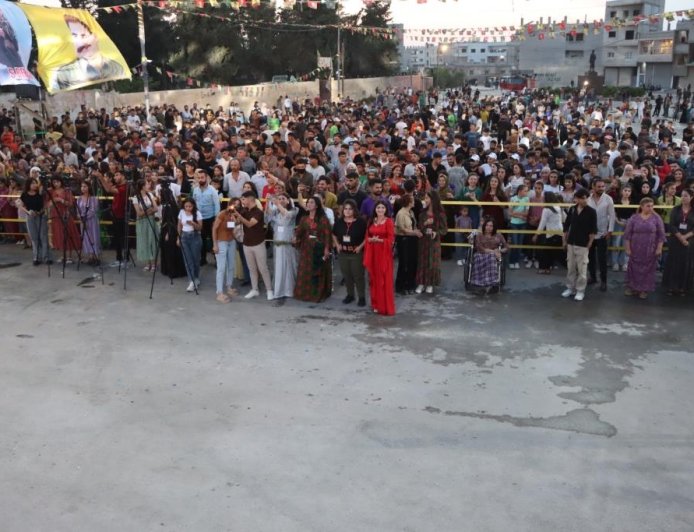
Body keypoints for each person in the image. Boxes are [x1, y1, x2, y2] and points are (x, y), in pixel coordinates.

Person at [50, 15, 126, 91]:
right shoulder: (65, 74)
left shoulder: (116, 68)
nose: (81, 42)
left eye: (83, 35)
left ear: (94, 37)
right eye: (74, 38)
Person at [623, 197, 666, 299]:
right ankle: (632, 287)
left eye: (652, 206)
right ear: (642, 206)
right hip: (635, 248)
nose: (650, 208)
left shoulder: (657, 218)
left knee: (648, 270)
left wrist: (659, 248)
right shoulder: (634, 218)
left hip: (650, 249)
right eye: (648, 206)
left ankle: (644, 289)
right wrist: (628, 248)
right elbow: (627, 235)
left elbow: (661, 235)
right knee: (633, 268)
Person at [235, 191, 273, 300]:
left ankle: (269, 290)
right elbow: (238, 222)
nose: (242, 202)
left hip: (258, 243)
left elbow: (249, 224)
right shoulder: (244, 210)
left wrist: (239, 216)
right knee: (251, 268)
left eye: (243, 199)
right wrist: (234, 216)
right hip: (246, 243)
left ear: (250, 199)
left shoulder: (258, 212)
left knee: (263, 268)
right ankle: (254, 289)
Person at [294, 196, 332, 303]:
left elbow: (327, 235)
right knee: (305, 270)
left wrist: (326, 249)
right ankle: (305, 294)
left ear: (317, 205)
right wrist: (295, 238)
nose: (309, 204)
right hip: (306, 248)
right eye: (308, 202)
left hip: (318, 248)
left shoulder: (323, 219)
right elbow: (299, 232)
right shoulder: (304, 218)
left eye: (311, 202)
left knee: (317, 271)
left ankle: (317, 295)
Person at [562, 189, 597, 302]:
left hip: (583, 243)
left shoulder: (591, 211)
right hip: (571, 242)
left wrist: (590, 243)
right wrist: (564, 240)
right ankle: (570, 288)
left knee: (582, 268)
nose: (583, 200)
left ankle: (580, 290)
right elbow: (566, 226)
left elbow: (593, 229)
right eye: (581, 198)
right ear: (576, 199)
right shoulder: (572, 209)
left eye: (585, 197)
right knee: (570, 267)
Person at [333, 199, 367, 306]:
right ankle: (350, 295)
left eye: (350, 209)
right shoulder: (339, 221)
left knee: (358, 276)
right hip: (343, 253)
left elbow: (367, 236)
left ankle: (361, 297)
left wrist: (360, 247)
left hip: (356, 253)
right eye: (345, 209)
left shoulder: (360, 222)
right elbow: (333, 234)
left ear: (354, 210)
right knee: (347, 275)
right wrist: (337, 244)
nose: (347, 211)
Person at [363, 200, 395, 315]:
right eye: (378, 208)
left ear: (386, 209)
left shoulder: (389, 222)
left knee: (384, 279)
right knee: (374, 279)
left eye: (382, 208)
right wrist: (370, 240)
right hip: (373, 254)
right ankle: (375, 304)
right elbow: (367, 237)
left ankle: (385, 306)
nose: (380, 210)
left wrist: (380, 240)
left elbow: (391, 240)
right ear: (375, 209)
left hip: (384, 254)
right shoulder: (371, 221)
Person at [266, 192, 299, 299]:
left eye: (283, 198)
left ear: (288, 200)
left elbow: (287, 215)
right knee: (279, 266)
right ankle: (279, 290)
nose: (280, 200)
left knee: (289, 265)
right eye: (279, 199)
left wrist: (277, 203)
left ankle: (290, 290)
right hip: (277, 243)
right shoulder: (276, 212)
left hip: (288, 243)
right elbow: (268, 215)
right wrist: (267, 201)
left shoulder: (294, 210)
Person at [415, 190, 448, 294]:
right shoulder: (422, 213)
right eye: (425, 198)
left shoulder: (440, 214)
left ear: (433, 199)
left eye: (427, 198)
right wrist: (425, 223)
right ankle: (421, 283)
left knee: (432, 263)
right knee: (422, 262)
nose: (425, 200)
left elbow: (444, 229)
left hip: (434, 242)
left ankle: (430, 283)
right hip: (423, 241)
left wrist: (436, 233)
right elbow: (419, 227)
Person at [663, 188, 694, 296]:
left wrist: (685, 237)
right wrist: (680, 237)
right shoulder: (676, 209)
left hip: (689, 241)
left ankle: (683, 287)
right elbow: (671, 225)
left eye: (686, 196)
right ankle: (671, 287)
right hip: (675, 240)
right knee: (673, 263)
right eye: (682, 195)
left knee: (686, 264)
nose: (683, 198)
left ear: (691, 197)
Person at [587, 178, 616, 291]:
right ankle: (593, 277)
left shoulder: (608, 199)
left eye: (603, 186)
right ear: (593, 187)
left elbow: (612, 215)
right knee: (590, 258)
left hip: (603, 233)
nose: (601, 188)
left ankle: (604, 281)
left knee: (602, 259)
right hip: (589, 234)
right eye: (599, 186)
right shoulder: (588, 199)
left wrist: (610, 230)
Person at [97, 170, 128, 268]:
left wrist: (101, 177)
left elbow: (109, 190)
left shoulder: (125, 187)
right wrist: (102, 179)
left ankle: (124, 259)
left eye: (117, 175)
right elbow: (108, 189)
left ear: (123, 176)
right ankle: (119, 258)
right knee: (117, 238)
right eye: (114, 175)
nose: (115, 177)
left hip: (122, 216)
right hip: (115, 215)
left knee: (122, 239)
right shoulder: (118, 186)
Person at [46, 176, 80, 264]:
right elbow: (48, 204)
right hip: (55, 215)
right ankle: (63, 255)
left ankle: (69, 256)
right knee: (59, 235)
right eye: (54, 182)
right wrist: (53, 201)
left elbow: (70, 204)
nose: (56, 184)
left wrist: (61, 200)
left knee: (68, 234)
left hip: (65, 214)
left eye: (57, 181)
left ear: (61, 181)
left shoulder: (67, 190)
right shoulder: (51, 191)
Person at [469, 217, 508, 294]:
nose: (489, 227)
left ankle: (491, 282)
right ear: (484, 226)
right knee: (486, 257)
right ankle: (479, 283)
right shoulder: (480, 235)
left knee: (491, 258)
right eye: (487, 225)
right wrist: (493, 252)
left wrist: (499, 250)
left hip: (493, 255)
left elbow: (506, 247)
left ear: (494, 227)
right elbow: (479, 247)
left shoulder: (498, 235)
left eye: (491, 226)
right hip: (481, 254)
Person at [18, 178, 51, 266]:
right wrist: (28, 212)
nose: (34, 185)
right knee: (34, 238)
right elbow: (20, 205)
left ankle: (46, 257)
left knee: (43, 237)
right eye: (32, 183)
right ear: (28, 184)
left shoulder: (40, 194)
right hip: (30, 217)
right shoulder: (24, 194)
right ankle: (36, 257)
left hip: (41, 216)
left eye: (35, 183)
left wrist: (41, 211)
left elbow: (46, 204)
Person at [394, 193, 422, 295]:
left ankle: (410, 284)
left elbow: (413, 226)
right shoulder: (401, 213)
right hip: (404, 240)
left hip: (412, 240)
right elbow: (402, 229)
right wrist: (415, 232)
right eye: (413, 200)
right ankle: (401, 286)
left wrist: (417, 231)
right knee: (404, 263)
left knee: (412, 263)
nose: (414, 202)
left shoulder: (411, 212)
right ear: (409, 202)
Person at [211, 201, 238, 303]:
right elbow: (214, 228)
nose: (235, 207)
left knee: (231, 265)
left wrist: (235, 218)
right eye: (233, 205)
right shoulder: (222, 214)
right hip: (221, 242)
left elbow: (233, 228)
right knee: (221, 268)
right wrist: (215, 244)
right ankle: (219, 292)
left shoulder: (233, 215)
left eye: (237, 205)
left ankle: (229, 286)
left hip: (231, 241)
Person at [192, 170, 220, 266]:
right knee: (201, 239)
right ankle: (203, 259)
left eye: (202, 177)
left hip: (211, 218)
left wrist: (216, 220)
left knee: (213, 239)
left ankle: (217, 260)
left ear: (206, 177)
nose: (200, 179)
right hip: (200, 219)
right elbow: (194, 204)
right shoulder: (195, 190)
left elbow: (217, 205)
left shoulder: (212, 190)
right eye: (199, 178)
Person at [159, 182, 186, 278]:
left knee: (171, 251)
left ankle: (172, 270)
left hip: (170, 232)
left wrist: (167, 233)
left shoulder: (169, 207)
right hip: (168, 230)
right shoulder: (168, 205)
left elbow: (170, 221)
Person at [532, 192, 564, 274]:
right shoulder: (558, 207)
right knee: (551, 251)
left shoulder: (546, 209)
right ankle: (547, 268)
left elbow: (542, 223)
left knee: (546, 251)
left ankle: (544, 268)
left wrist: (536, 235)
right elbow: (564, 217)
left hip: (552, 233)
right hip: (559, 232)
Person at [131, 179, 159, 272]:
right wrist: (149, 210)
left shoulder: (150, 195)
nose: (149, 185)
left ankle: (154, 263)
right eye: (147, 184)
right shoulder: (136, 198)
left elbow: (155, 208)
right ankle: (147, 263)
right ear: (142, 186)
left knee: (152, 241)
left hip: (151, 221)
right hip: (142, 222)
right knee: (144, 241)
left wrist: (147, 211)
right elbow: (139, 213)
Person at [177, 197, 203, 292]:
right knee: (188, 260)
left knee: (195, 259)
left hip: (195, 237)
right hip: (184, 237)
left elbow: (200, 228)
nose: (188, 208)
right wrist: (178, 237)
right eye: (186, 206)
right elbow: (179, 225)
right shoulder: (181, 212)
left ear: (193, 206)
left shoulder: (197, 213)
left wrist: (193, 224)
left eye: (190, 206)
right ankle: (191, 280)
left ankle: (196, 278)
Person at [76, 180, 100, 265]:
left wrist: (85, 218)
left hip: (92, 221)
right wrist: (81, 218)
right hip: (83, 221)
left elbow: (93, 210)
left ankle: (95, 256)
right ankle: (90, 256)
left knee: (94, 237)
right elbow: (78, 211)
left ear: (89, 187)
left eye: (85, 186)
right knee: (85, 238)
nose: (83, 188)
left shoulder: (93, 199)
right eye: (82, 186)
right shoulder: (79, 199)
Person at [611, 184, 634, 272]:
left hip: (629, 223)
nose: (627, 193)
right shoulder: (616, 201)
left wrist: (629, 223)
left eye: (629, 191)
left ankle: (625, 263)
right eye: (625, 190)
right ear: (621, 191)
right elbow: (614, 213)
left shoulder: (632, 203)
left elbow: (634, 214)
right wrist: (618, 221)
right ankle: (615, 263)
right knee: (616, 242)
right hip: (618, 222)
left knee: (627, 243)